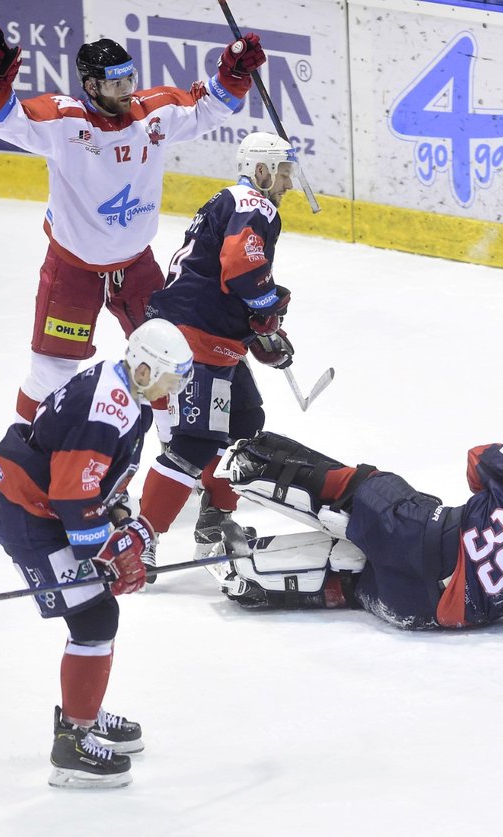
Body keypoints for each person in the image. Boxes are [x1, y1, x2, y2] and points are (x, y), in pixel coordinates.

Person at [0, 26, 267, 425]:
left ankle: (177, 462)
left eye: (130, 79)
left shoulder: (153, 114)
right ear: (91, 86)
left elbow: (208, 108)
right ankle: (23, 454)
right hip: (73, 270)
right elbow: (5, 120)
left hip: (136, 268)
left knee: (168, 364)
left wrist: (233, 73)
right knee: (52, 374)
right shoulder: (65, 122)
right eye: (116, 84)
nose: (128, 90)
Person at [0, 319, 194, 788]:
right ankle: (73, 742)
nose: (173, 389)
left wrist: (120, 526)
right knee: (96, 619)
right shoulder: (109, 407)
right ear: (142, 369)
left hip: (42, 510)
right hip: (29, 517)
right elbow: (73, 495)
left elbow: (94, 484)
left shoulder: (124, 392)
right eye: (169, 378)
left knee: (97, 615)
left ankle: (85, 712)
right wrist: (111, 553)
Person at [209, 433, 503, 630]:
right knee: (355, 577)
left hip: (414, 534)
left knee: (368, 484)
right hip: (425, 611)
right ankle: (252, 580)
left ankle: (255, 461)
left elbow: (476, 460)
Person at [135, 132, 298, 579]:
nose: (288, 184)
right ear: (262, 170)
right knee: (194, 442)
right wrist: (266, 312)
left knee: (245, 423)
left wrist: (258, 333)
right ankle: (139, 536)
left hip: (206, 337)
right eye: (283, 173)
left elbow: (225, 280)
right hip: (192, 339)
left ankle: (214, 519)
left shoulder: (231, 201)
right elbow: (241, 266)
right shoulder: (254, 203)